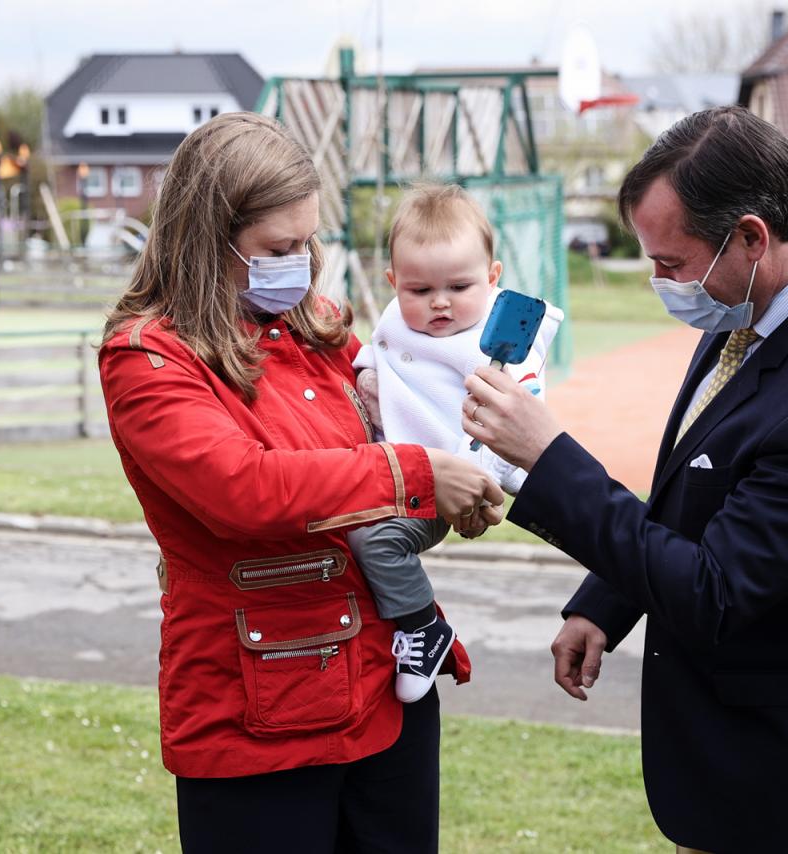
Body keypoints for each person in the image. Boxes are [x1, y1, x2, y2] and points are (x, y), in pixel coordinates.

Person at [462, 106, 788, 853]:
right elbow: (708, 485)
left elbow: (718, 588)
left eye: (670, 263)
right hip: (745, 760)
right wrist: (606, 602)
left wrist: (548, 458)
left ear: (751, 235)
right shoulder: (758, 303)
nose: (660, 281)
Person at [98, 112, 505, 853]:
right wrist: (417, 473)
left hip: (382, 684)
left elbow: (388, 433)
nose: (301, 261)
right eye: (277, 248)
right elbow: (240, 487)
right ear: (204, 239)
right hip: (257, 709)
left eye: (308, 240)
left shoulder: (314, 324)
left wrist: (463, 468)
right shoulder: (148, 356)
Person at [349, 183, 563, 703]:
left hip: (445, 481)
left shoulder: (503, 347)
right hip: (389, 470)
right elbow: (374, 362)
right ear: (394, 282)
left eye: (460, 287)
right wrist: (368, 383)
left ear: (492, 280)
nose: (439, 303)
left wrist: (481, 483)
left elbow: (517, 426)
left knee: (374, 540)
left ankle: (424, 628)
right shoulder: (395, 320)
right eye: (419, 291)